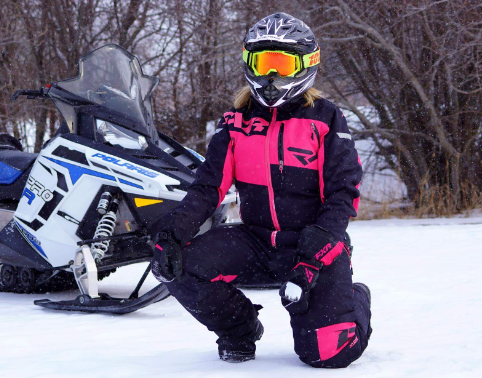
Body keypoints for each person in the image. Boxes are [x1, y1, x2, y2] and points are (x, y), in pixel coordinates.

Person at [151, 12, 372, 368]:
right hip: (255, 242)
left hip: (312, 246)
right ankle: (239, 330)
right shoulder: (235, 122)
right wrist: (172, 231)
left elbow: (343, 194)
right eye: (263, 63)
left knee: (329, 355)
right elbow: (209, 187)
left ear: (304, 65)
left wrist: (313, 259)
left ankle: (355, 296)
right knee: (176, 265)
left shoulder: (327, 119)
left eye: (281, 65)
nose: (271, 76)